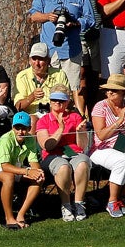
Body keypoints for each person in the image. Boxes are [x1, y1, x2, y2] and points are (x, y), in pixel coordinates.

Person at [28, 0, 96, 92]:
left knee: (71, 90)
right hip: (48, 51)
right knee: (48, 91)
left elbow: (91, 19)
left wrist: (75, 23)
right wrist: (48, 17)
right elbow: (33, 16)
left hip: (71, 51)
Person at [90, 73, 125, 217]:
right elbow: (101, 135)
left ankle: (114, 197)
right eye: (108, 89)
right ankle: (112, 201)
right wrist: (120, 121)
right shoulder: (99, 107)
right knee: (122, 161)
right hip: (102, 148)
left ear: (123, 92)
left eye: (113, 90)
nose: (109, 92)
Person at [35, 87, 91, 221]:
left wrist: (80, 132)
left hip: (74, 153)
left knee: (83, 163)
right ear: (50, 101)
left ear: (67, 102)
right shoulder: (43, 121)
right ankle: (66, 205)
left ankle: (78, 204)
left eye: (61, 100)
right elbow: (47, 146)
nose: (57, 103)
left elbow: (82, 146)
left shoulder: (75, 117)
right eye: (54, 100)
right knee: (63, 166)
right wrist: (61, 128)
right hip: (52, 156)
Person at [0, 111, 45, 229]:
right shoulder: (6, 139)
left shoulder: (31, 139)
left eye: (24, 128)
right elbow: (5, 166)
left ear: (29, 128)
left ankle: (21, 215)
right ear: (12, 127)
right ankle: (9, 218)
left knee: (39, 179)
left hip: (14, 166)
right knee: (8, 177)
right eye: (17, 128)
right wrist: (28, 172)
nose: (20, 131)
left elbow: (33, 161)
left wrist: (37, 172)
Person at [13, 42, 76, 119]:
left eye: (41, 59)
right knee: (32, 120)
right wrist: (32, 97)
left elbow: (69, 101)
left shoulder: (59, 74)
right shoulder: (22, 76)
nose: (37, 63)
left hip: (55, 113)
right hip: (31, 115)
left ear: (48, 61)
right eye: (34, 59)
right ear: (29, 60)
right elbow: (18, 106)